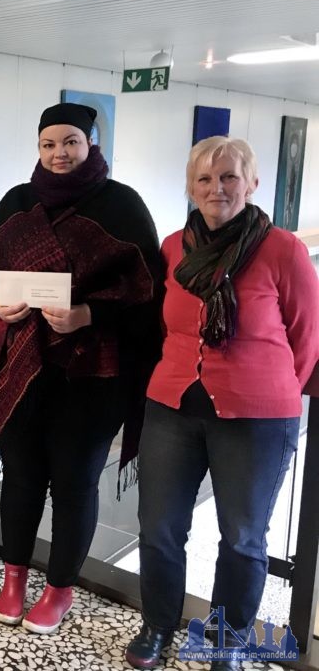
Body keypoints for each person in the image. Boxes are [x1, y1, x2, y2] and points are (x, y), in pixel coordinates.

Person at [124, 137, 319, 671]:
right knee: (160, 528)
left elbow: (307, 338)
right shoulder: (172, 248)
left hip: (258, 416)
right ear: (190, 186)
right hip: (172, 404)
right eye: (205, 179)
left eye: (229, 177)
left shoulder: (283, 250)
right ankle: (158, 624)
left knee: (242, 537)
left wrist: (271, 388)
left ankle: (227, 640)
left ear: (252, 184)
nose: (217, 188)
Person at [0, 102, 162, 634]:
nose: (59, 154)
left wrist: (88, 313)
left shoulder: (122, 204)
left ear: (91, 144)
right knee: (20, 476)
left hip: (93, 375)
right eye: (48, 144)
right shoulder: (16, 201)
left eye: (70, 142)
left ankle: (60, 588)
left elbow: (146, 289)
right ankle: (14, 577)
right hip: (22, 364)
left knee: (75, 482)